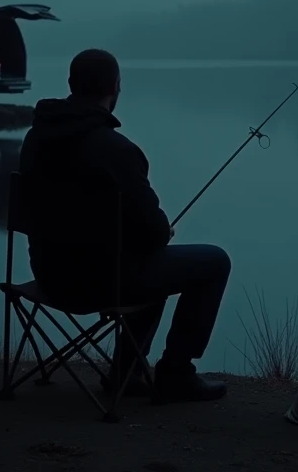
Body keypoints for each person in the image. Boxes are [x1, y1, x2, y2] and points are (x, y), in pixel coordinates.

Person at [18, 48, 231, 403]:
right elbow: (154, 232)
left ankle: (129, 373)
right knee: (214, 261)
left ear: (71, 84)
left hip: (48, 274)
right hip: (104, 283)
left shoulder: (35, 140)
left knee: (144, 260)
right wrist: (161, 232)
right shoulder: (117, 151)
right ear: (115, 87)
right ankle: (175, 374)